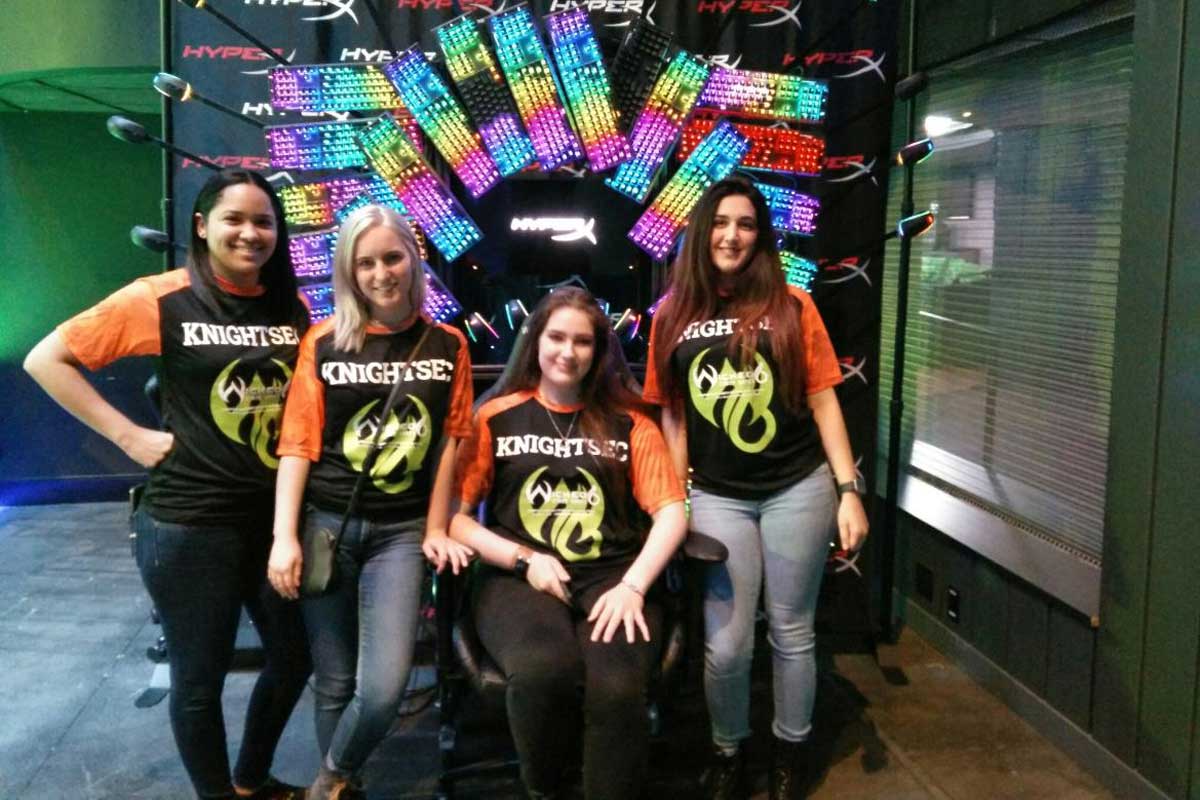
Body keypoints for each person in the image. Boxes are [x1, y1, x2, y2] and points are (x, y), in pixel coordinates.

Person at [23, 169, 313, 800]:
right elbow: (46, 359)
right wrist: (129, 437)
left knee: (295, 659)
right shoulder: (161, 297)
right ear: (203, 227)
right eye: (234, 220)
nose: (250, 233)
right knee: (198, 679)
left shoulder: (288, 306)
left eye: (264, 222)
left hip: (271, 521)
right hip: (188, 522)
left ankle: (251, 779)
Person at [643, 177, 870, 800]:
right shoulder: (673, 315)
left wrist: (848, 490)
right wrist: (678, 501)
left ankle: (790, 753)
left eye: (744, 224)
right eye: (720, 222)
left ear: (760, 236)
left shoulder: (795, 306)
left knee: (792, 631)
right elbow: (672, 418)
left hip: (799, 486)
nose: (731, 235)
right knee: (728, 643)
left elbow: (825, 401)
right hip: (718, 495)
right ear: (701, 232)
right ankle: (727, 750)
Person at [267, 204, 476, 799]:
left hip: (401, 534)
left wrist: (437, 526)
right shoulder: (325, 342)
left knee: (382, 689)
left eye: (392, 257)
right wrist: (284, 537)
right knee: (334, 682)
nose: (382, 272)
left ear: (414, 258)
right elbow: (298, 445)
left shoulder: (448, 344)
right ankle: (345, 787)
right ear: (348, 272)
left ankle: (328, 778)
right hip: (326, 525)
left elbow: (450, 445)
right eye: (366, 263)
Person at [449, 287, 687, 800]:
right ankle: (544, 790)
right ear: (536, 341)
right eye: (556, 337)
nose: (568, 351)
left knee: (617, 689)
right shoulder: (495, 417)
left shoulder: (631, 425)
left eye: (582, 341)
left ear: (598, 353)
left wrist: (633, 586)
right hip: (519, 577)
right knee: (541, 671)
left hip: (613, 577)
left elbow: (671, 513)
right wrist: (525, 558)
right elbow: (458, 521)